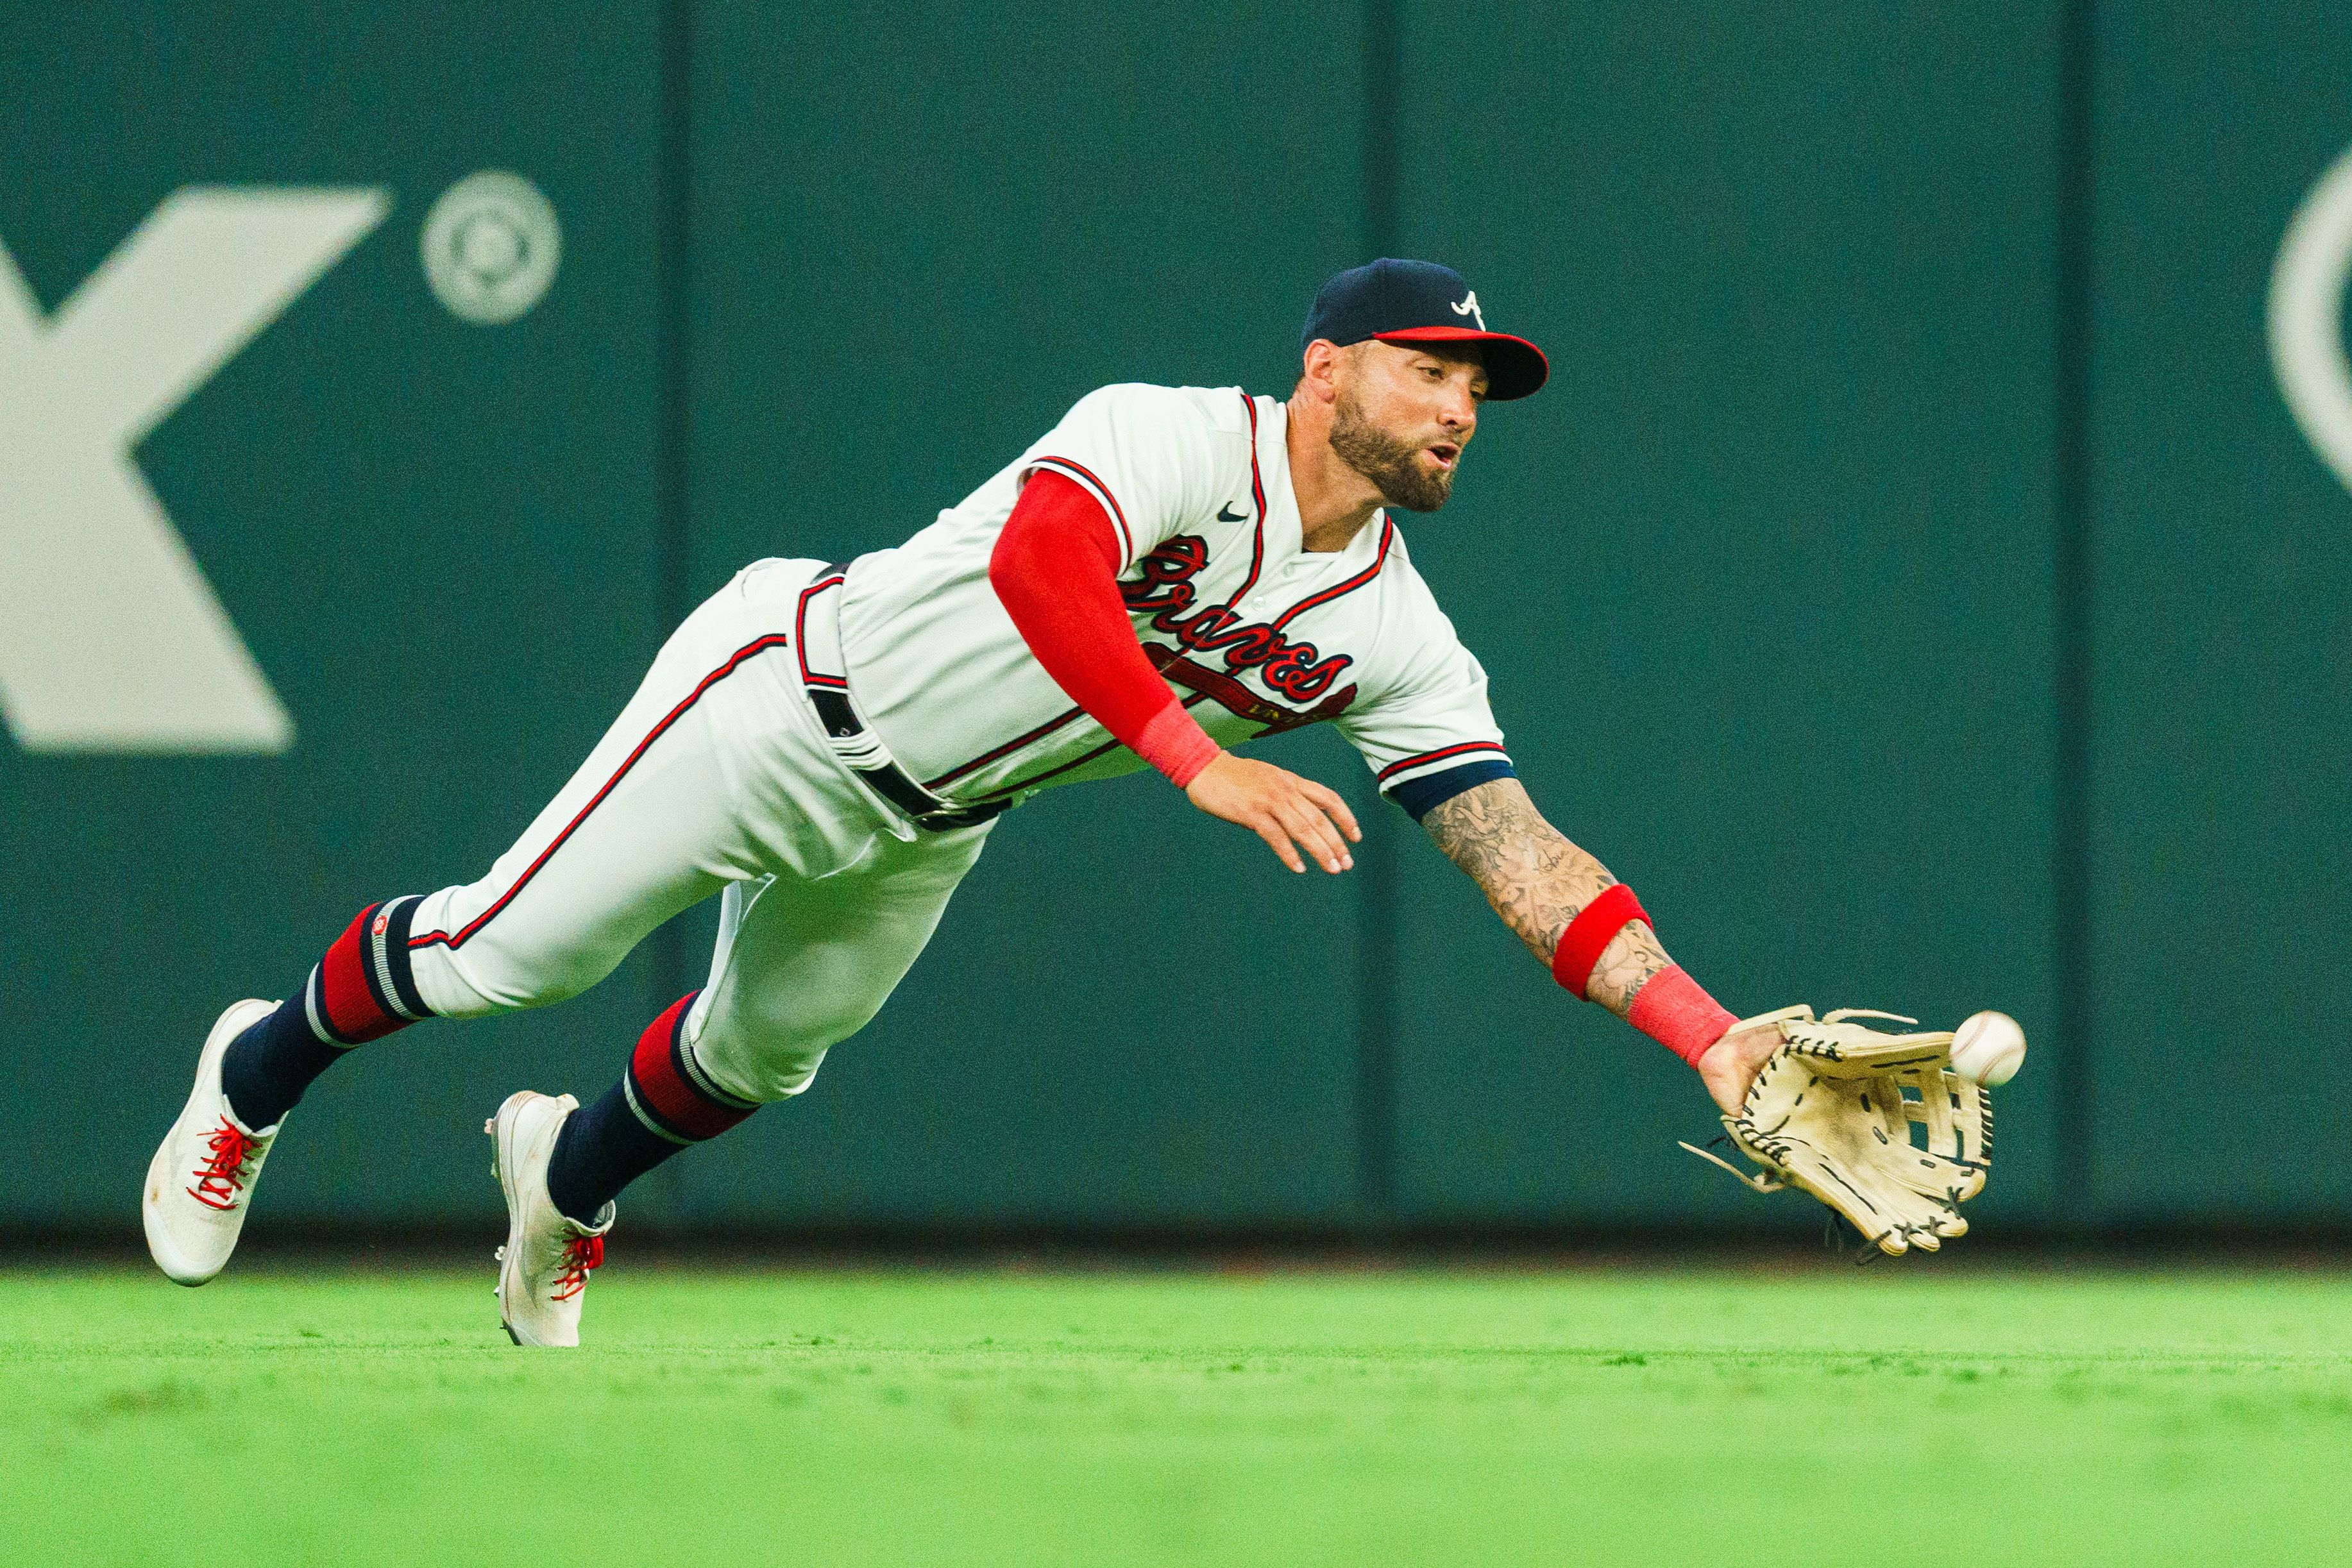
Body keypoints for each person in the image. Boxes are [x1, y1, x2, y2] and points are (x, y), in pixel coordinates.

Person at [143, 259, 1795, 1345]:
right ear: (1325, 367)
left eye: (1477, 389)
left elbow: (1515, 846)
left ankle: (563, 1186)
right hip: (784, 700)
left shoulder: (1401, 637)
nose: (1459, 406)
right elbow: (1040, 564)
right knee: (513, 957)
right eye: (1432, 367)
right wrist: (1197, 758)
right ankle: (253, 1071)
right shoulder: (1159, 431)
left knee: (760, 1056)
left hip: (926, 823)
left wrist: (1709, 1036)